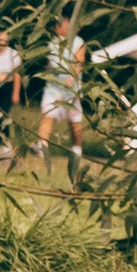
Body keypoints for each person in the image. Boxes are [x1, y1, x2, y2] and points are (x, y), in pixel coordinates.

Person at [35, 12, 87, 166]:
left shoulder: (78, 42)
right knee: (47, 115)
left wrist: (71, 77)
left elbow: (79, 62)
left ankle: (77, 148)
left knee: (74, 121)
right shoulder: (52, 43)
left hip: (72, 88)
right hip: (53, 87)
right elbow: (49, 63)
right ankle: (42, 145)